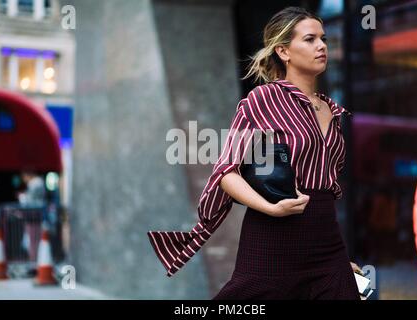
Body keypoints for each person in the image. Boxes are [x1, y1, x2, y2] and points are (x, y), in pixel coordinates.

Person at [148, 6, 362, 300]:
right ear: (284, 52)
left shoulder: (332, 110)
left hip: (326, 242)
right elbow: (226, 172)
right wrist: (271, 208)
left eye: (323, 38)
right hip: (273, 237)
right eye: (310, 39)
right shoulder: (263, 100)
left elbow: (327, 189)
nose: (322, 46)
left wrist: (338, 261)